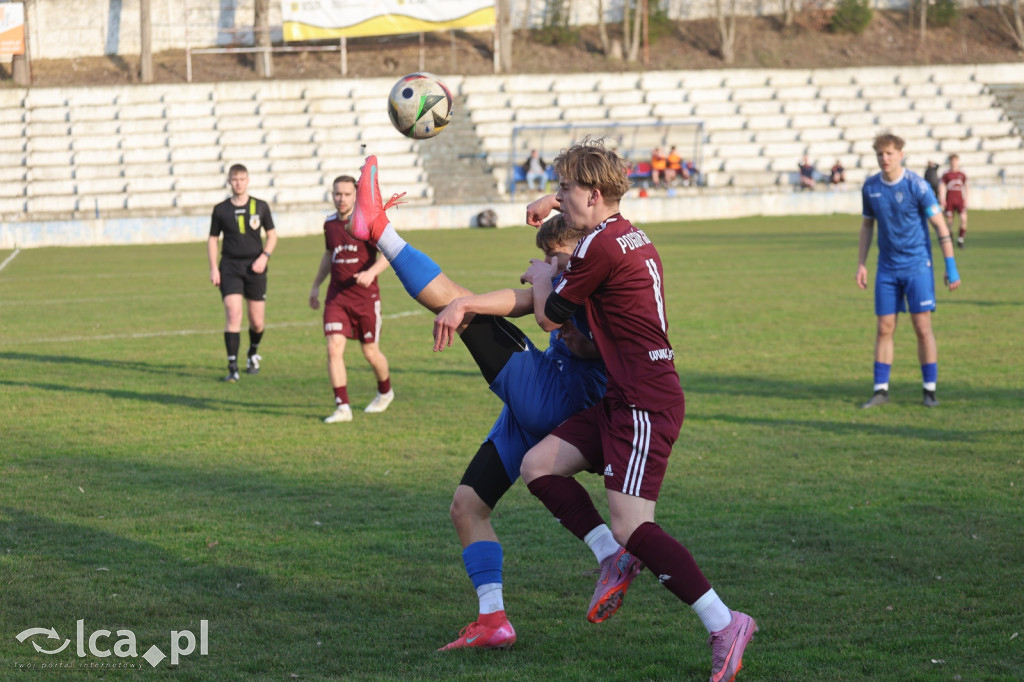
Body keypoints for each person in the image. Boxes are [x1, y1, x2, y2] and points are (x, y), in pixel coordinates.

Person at [347, 155, 624, 651]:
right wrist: (472, 300)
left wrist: (475, 302)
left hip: (557, 396)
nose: (552, 266)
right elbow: (523, 302)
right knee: (467, 507)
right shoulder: (569, 270)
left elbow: (563, 326)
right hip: (530, 410)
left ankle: (380, 229)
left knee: (461, 305)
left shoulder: (596, 277)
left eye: (558, 257)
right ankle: (495, 619)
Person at [518, 138, 757, 682]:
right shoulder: (624, 232)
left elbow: (551, 317)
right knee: (539, 466)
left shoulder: (597, 249)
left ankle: (726, 623)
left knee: (632, 526)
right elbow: (584, 222)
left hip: (644, 402)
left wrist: (540, 276)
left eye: (564, 189)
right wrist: (552, 203)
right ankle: (612, 558)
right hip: (623, 395)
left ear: (593, 194)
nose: (559, 196)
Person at [856, 133, 962, 409]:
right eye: (880, 154)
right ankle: (880, 390)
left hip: (917, 267)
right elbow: (867, 226)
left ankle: (929, 390)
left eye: (889, 153)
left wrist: (950, 266)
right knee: (884, 327)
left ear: (900, 155)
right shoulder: (870, 187)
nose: (884, 159)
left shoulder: (917, 186)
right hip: (887, 269)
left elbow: (940, 226)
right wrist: (861, 264)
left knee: (922, 327)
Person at [308, 175, 394, 423]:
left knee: (370, 352)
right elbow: (329, 255)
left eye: (346, 194)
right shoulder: (330, 224)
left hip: (365, 299)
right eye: (337, 194)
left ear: (355, 195)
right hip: (337, 297)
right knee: (333, 348)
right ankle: (342, 407)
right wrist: (316, 285)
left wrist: (371, 273)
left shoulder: (367, 222)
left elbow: (389, 254)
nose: (341, 199)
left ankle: (385, 392)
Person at [207, 163, 277, 382]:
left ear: (248, 180)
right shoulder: (221, 209)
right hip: (229, 267)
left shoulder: (260, 206)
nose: (238, 183)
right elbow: (212, 239)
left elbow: (272, 235)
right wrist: (214, 267)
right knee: (233, 314)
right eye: (234, 179)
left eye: (242, 179)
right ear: (229, 181)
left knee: (257, 322)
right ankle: (232, 367)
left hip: (255, 267)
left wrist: (264, 257)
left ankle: (252, 353)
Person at [939, 154, 969, 249]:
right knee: (949, 222)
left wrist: (966, 198)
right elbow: (942, 186)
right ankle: (950, 238)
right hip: (950, 200)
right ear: (949, 161)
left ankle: (960, 239)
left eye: (955, 160)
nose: (953, 162)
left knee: (963, 219)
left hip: (960, 200)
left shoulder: (962, 174)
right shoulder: (947, 174)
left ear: (958, 161)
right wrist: (942, 198)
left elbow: (966, 186)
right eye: (952, 160)